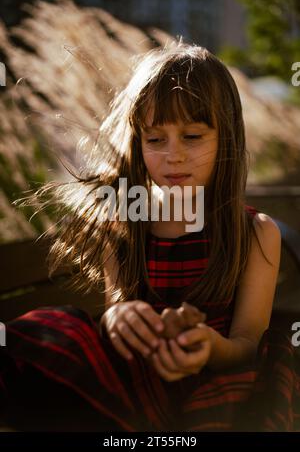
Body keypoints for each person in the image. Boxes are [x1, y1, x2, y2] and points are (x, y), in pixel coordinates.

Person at [1, 39, 299, 432]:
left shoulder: (255, 233)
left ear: (225, 137)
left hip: (216, 381)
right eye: (155, 139)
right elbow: (116, 310)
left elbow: (246, 345)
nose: (173, 155)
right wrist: (120, 318)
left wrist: (209, 346)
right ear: (138, 142)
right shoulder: (123, 222)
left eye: (192, 136)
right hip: (136, 382)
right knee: (60, 327)